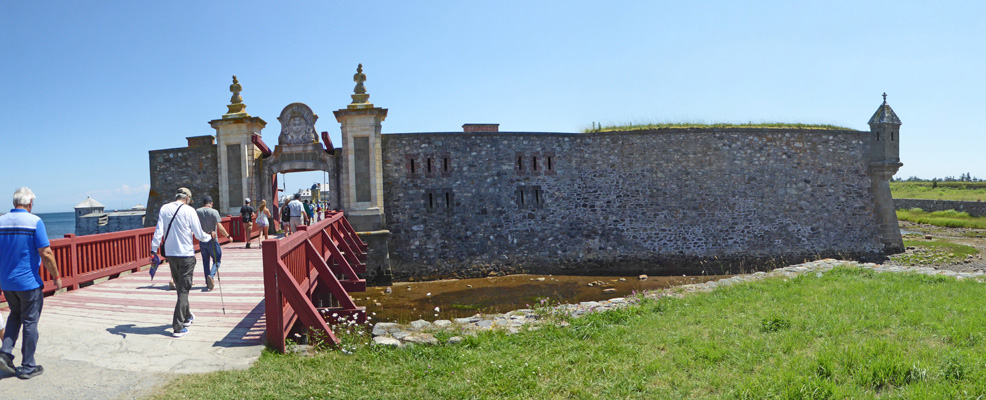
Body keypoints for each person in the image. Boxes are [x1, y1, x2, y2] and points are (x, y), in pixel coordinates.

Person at [0, 187, 62, 379]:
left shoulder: (1, 221)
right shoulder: (35, 221)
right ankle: (28, 366)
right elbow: (46, 252)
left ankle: (5, 354)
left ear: (13, 203)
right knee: (29, 321)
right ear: (30, 203)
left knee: (14, 316)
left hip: (7, 282)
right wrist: (56, 276)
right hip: (28, 283)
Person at [150, 188, 212, 338]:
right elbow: (199, 234)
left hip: (170, 255)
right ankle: (178, 327)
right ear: (188, 198)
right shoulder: (189, 211)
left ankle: (187, 316)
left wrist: (153, 249)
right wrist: (209, 237)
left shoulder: (164, 208)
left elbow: (159, 231)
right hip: (186, 255)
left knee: (181, 288)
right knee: (184, 290)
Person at [196, 195, 229, 291]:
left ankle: (208, 282)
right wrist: (228, 236)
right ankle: (211, 275)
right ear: (211, 203)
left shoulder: (197, 212)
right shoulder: (214, 212)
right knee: (217, 260)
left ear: (203, 203)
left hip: (202, 240)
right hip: (212, 240)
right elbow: (219, 226)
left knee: (205, 262)